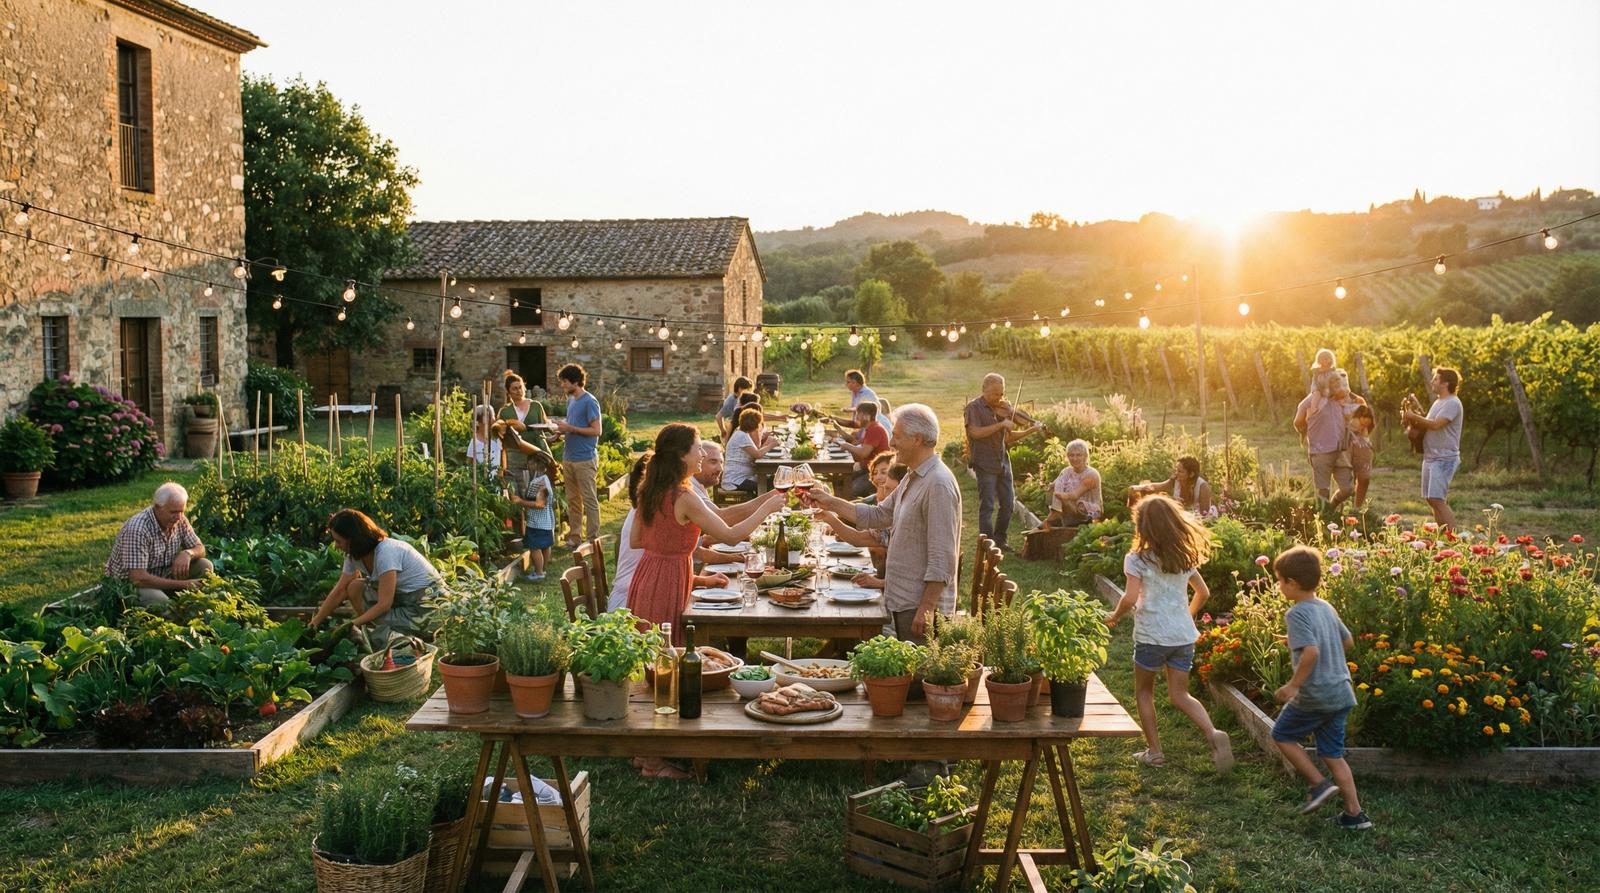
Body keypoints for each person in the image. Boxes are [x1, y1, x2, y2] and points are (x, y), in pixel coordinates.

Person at [801, 404, 960, 644]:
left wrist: (927, 607)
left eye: (896, 436)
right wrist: (829, 502)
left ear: (917, 439)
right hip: (904, 599)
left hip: (919, 605)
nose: (892, 443)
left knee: (918, 676)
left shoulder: (937, 484)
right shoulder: (913, 476)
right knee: (904, 674)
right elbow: (877, 516)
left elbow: (942, 556)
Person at [1104, 494, 1234, 773]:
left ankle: (1155, 752)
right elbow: (1204, 592)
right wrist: (1185, 617)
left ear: (1143, 527)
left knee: (1143, 692)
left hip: (1152, 635)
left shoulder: (1136, 560)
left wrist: (1114, 616)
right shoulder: (1184, 557)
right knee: (1180, 695)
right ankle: (1213, 732)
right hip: (1182, 635)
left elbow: (1129, 598)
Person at [627, 423, 780, 646]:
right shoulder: (684, 496)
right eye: (698, 449)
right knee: (669, 653)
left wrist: (696, 578)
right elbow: (730, 536)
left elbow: (637, 541)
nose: (703, 454)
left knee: (651, 656)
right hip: (668, 585)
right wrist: (766, 509)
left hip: (646, 578)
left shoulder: (650, 488)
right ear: (681, 455)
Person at [1269, 545, 1370, 830]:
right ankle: (1354, 815)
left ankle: (1317, 784)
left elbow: (1311, 653)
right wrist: (1296, 642)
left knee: (1282, 734)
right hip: (1341, 692)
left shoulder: (1296, 614)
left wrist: (1292, 685)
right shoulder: (1325, 607)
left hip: (1315, 693)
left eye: (1279, 581)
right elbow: (1347, 642)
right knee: (1332, 753)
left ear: (1293, 583)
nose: (1279, 587)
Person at [309, 509, 444, 649]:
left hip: (428, 605)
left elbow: (385, 604)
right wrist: (314, 624)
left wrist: (351, 624)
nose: (336, 546)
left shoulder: (386, 552)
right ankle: (378, 632)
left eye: (339, 541)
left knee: (377, 622)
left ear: (354, 539)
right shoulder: (353, 555)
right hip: (402, 599)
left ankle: (402, 637)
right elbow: (340, 590)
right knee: (354, 587)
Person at [964, 373, 1042, 551]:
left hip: (1003, 461)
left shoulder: (1002, 409)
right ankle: (987, 544)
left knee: (1008, 504)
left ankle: (1000, 539)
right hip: (985, 463)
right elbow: (975, 433)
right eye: (995, 394)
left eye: (1002, 393)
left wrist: (1031, 430)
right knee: (988, 506)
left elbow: (1008, 438)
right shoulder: (973, 408)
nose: (1000, 398)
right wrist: (1000, 425)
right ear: (984, 390)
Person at [105, 481, 212, 608]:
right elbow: (138, 579)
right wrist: (185, 585)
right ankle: (170, 609)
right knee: (162, 605)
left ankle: (177, 600)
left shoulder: (179, 519)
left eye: (181, 511)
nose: (178, 517)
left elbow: (200, 548)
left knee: (204, 565)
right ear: (157, 507)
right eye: (173, 512)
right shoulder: (138, 529)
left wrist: (187, 553)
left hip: (162, 575)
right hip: (133, 586)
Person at [1402, 367, 1463, 531]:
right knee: (1431, 499)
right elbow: (1427, 426)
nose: (1432, 382)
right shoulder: (1438, 402)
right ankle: (1444, 536)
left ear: (1445, 383)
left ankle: (1454, 540)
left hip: (1444, 458)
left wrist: (1413, 416)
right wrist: (1411, 425)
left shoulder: (1453, 403)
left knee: (1437, 499)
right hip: (1431, 457)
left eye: (1435, 379)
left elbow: (1436, 425)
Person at [554, 363, 603, 548]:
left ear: (575, 381)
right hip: (569, 457)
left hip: (585, 459)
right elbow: (572, 425)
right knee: (573, 500)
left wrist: (570, 428)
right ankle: (575, 537)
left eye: (565, 382)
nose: (563, 385)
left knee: (589, 500)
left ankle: (592, 540)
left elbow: (596, 430)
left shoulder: (590, 401)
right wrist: (558, 433)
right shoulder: (571, 400)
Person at [1294, 369, 1355, 503]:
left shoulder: (1347, 400)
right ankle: (1324, 517)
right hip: (1320, 451)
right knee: (1323, 490)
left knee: (1348, 489)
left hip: (1341, 451)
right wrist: (1308, 430)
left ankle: (1331, 509)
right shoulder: (1312, 400)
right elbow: (1298, 421)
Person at [498, 371, 553, 487]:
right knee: (519, 489)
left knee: (539, 489)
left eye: (520, 387)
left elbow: (546, 425)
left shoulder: (536, 406)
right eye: (515, 389)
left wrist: (554, 433)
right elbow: (500, 434)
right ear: (508, 392)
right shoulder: (505, 412)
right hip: (515, 456)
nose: (519, 391)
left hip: (536, 453)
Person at [512, 451, 557, 582]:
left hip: (538, 522)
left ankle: (539, 573)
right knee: (545, 546)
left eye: (530, 463)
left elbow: (539, 504)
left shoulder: (539, 482)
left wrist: (520, 501)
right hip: (547, 522)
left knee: (534, 547)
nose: (528, 465)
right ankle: (543, 569)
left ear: (537, 464)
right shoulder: (545, 479)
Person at [1042, 439, 1103, 528]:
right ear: (1067, 456)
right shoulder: (1067, 471)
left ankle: (1055, 515)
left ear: (1085, 456)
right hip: (1070, 510)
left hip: (1088, 513)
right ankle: (1055, 514)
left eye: (1078, 455)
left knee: (1078, 503)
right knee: (1060, 480)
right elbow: (1053, 485)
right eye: (1071, 455)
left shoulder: (1092, 474)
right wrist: (1049, 487)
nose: (1074, 458)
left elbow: (1074, 495)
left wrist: (1060, 496)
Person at [835, 401, 890, 497]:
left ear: (866, 415)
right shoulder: (871, 428)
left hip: (877, 473)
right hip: (867, 469)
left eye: (858, 414)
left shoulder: (875, 429)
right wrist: (839, 431)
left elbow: (863, 453)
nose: (856, 417)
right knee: (839, 481)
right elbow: (856, 443)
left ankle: (850, 507)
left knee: (848, 489)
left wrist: (847, 446)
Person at [1128, 456, 1213, 516]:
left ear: (1191, 474)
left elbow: (1204, 515)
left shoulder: (1202, 487)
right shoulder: (1176, 480)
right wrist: (1137, 488)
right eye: (1176, 470)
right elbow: (1159, 486)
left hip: (1198, 520)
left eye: (1180, 471)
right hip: (1180, 517)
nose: (1176, 473)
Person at [721, 407, 775, 493]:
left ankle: (764, 504)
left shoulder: (742, 434)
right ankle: (762, 504)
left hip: (741, 478)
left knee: (772, 479)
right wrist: (771, 444)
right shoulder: (742, 436)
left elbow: (754, 455)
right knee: (770, 484)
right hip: (735, 480)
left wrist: (767, 443)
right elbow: (757, 455)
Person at [1347, 403, 1376, 509]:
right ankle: (1345, 507)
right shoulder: (1351, 423)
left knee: (1364, 479)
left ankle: (1357, 508)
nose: (1364, 426)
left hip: (1362, 456)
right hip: (1349, 452)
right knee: (1348, 483)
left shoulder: (1364, 434)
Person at [466, 405, 504, 472]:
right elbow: (469, 462)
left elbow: (503, 456)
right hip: (481, 479)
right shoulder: (474, 442)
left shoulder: (497, 438)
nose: (494, 420)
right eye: (492, 417)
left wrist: (502, 472)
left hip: (497, 479)